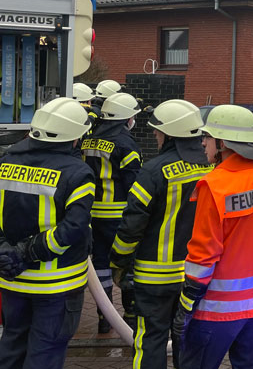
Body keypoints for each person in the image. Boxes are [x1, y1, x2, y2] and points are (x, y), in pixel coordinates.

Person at [172, 105, 253, 369]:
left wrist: (186, 304)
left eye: (208, 136)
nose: (203, 142)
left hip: (217, 310)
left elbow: (203, 256)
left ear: (223, 142)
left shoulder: (213, 185)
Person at [109, 100, 213, 369]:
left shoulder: (153, 171)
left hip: (153, 278)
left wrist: (118, 263)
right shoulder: (212, 168)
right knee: (188, 340)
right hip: (197, 275)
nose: (155, 136)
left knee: (150, 340)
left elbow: (131, 225)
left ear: (168, 134)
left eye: (157, 131)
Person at [0, 98, 95, 369]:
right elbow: (73, 229)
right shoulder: (78, 174)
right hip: (57, 286)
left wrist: (7, 251)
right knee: (45, 355)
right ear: (74, 138)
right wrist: (29, 252)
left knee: (11, 349)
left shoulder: (5, 162)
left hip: (12, 281)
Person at [82, 92, 142, 331]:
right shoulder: (126, 144)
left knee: (100, 266)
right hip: (118, 216)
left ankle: (103, 318)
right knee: (127, 266)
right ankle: (130, 316)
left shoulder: (88, 140)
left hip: (93, 215)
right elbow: (134, 184)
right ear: (126, 119)